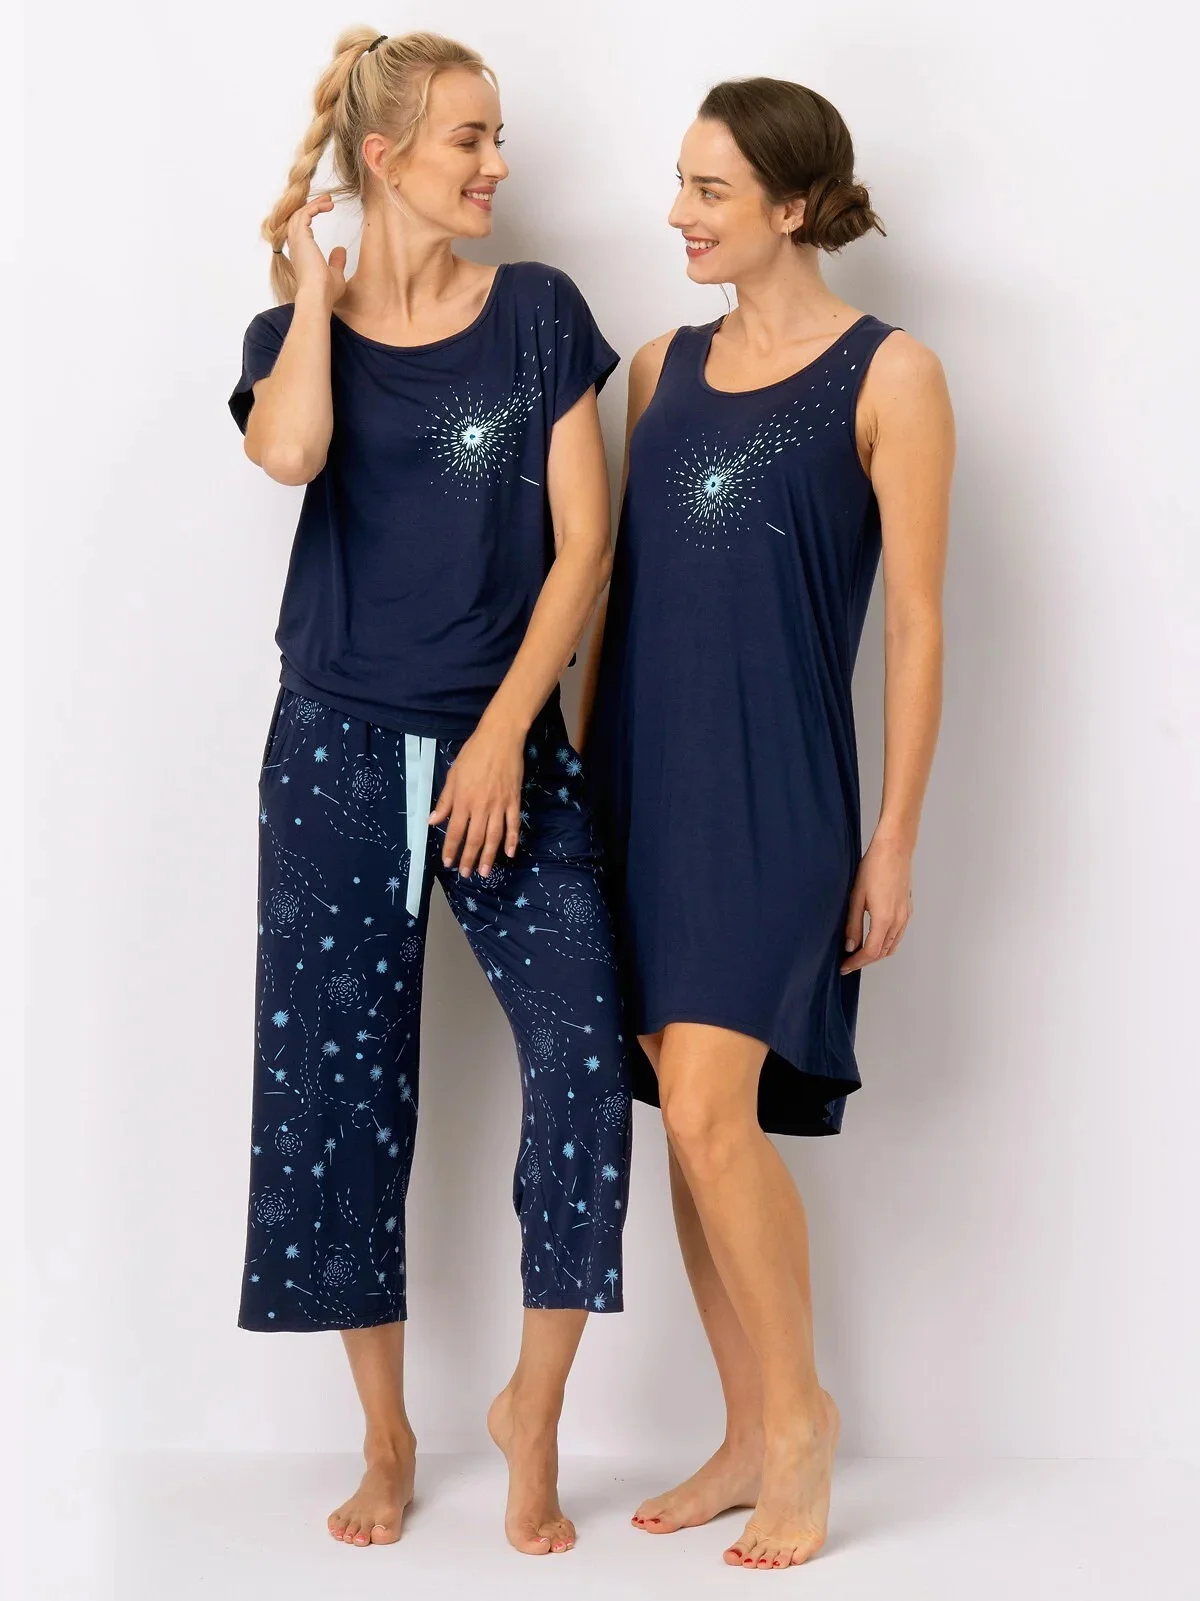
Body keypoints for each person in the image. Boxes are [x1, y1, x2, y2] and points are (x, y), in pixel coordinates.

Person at [228, 26, 630, 1557]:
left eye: (500, 135)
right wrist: (313, 295)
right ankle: (385, 1431)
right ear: (387, 158)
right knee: (341, 1095)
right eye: (471, 139)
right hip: (335, 755)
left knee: (583, 1059)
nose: (498, 165)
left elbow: (585, 547)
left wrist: (503, 735)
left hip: (506, 750)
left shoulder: (539, 315)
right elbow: (292, 456)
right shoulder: (290, 339)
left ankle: (534, 1414)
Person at [582, 77, 954, 1570]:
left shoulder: (893, 375)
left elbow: (916, 625)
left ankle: (802, 1425)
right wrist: (577, 783)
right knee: (690, 1126)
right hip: (640, 788)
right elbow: (619, 598)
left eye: (711, 190)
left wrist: (895, 838)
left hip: (777, 796)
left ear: (793, 206)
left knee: (711, 1112)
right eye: (680, 183)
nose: (678, 214)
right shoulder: (657, 370)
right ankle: (744, 1430)